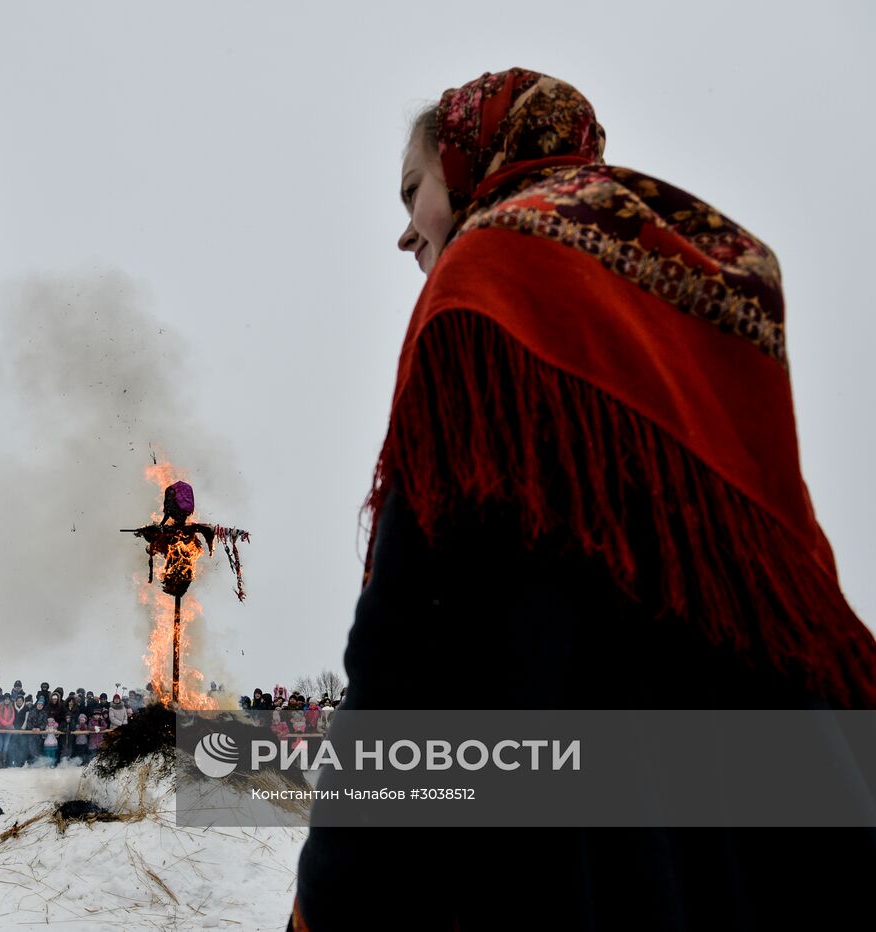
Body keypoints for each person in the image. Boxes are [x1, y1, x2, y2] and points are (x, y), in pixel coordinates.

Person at [290, 67, 876, 931]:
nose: (405, 234)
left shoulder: (490, 281)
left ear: (469, 160)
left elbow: (414, 634)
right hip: (756, 843)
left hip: (562, 850)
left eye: (413, 190)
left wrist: (331, 886)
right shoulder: (691, 281)